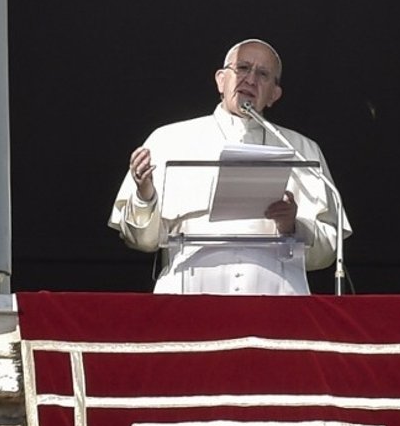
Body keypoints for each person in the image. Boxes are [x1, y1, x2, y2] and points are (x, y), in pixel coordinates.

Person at [108, 39, 351, 295]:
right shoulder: (168, 139)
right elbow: (141, 242)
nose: (250, 79)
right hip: (188, 292)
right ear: (221, 80)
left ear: (274, 95)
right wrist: (145, 195)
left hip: (276, 295)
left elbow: (327, 253)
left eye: (263, 74)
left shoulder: (304, 150)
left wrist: (293, 226)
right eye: (243, 68)